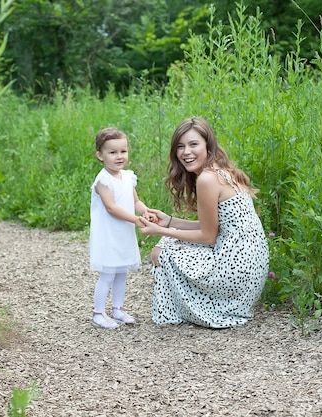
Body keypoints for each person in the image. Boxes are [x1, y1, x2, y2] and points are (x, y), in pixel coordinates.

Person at [138, 117, 269, 328]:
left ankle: (186, 311)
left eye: (193, 144)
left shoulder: (207, 179)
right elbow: (214, 228)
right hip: (251, 269)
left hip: (236, 270)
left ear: (208, 145)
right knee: (167, 240)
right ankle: (193, 306)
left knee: (161, 251)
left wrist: (162, 230)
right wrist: (169, 221)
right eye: (180, 147)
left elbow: (208, 237)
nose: (186, 152)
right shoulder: (221, 171)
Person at [89, 127, 154, 329]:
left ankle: (117, 309)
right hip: (109, 234)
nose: (119, 156)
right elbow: (111, 207)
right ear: (100, 155)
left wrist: (145, 211)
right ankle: (98, 313)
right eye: (112, 152)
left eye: (123, 151)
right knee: (108, 272)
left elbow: (135, 201)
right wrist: (135, 220)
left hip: (123, 232)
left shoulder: (127, 176)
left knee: (121, 272)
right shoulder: (103, 180)